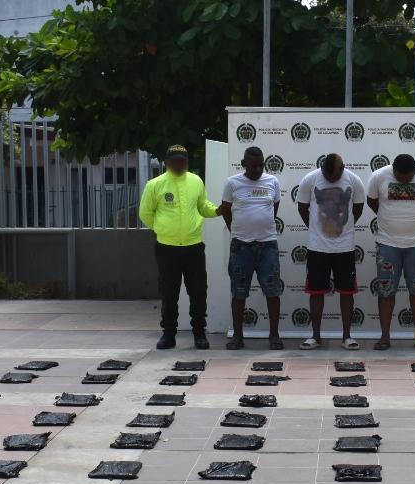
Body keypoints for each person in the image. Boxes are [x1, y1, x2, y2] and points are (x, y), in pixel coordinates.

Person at [138, 144, 220, 350]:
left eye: (182, 161)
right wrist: (162, 229)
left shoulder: (196, 181)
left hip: (194, 247)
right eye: (174, 161)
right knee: (169, 293)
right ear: (166, 162)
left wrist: (217, 211)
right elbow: (145, 213)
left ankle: (199, 333)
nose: (178, 165)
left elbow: (202, 206)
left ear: (187, 162)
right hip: (167, 248)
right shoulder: (155, 184)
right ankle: (168, 334)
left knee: (198, 292)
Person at [365, 153, 415, 350]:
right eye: (401, 177)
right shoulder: (379, 176)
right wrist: (388, 218)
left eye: (409, 177)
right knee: (385, 291)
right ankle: (384, 337)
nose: (405, 180)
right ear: (394, 170)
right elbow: (372, 201)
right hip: (387, 244)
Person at [295, 153, 366, 351]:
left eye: (334, 176)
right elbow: (302, 207)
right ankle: (315, 336)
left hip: (345, 247)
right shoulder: (310, 179)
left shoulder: (354, 180)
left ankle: (347, 337)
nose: (330, 179)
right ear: (321, 168)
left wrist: (344, 227)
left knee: (347, 292)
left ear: (343, 168)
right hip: (317, 247)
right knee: (316, 292)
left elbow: (358, 208)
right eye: (326, 175)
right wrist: (315, 228)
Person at [219, 146, 284, 350]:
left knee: (273, 291)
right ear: (243, 164)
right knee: (239, 293)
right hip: (241, 246)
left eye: (260, 165)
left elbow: (274, 208)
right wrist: (237, 231)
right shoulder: (232, 183)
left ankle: (274, 336)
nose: (257, 170)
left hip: (268, 245)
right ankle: (238, 337)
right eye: (253, 166)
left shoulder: (272, 181)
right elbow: (225, 210)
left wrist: (260, 226)